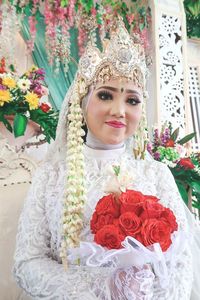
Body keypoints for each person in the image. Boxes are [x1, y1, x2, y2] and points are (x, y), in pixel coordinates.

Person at [13, 19, 200, 299]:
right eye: (105, 95)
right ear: (83, 102)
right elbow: (27, 264)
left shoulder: (157, 174)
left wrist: (147, 294)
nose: (119, 110)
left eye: (132, 100)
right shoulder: (51, 175)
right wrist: (106, 288)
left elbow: (182, 261)